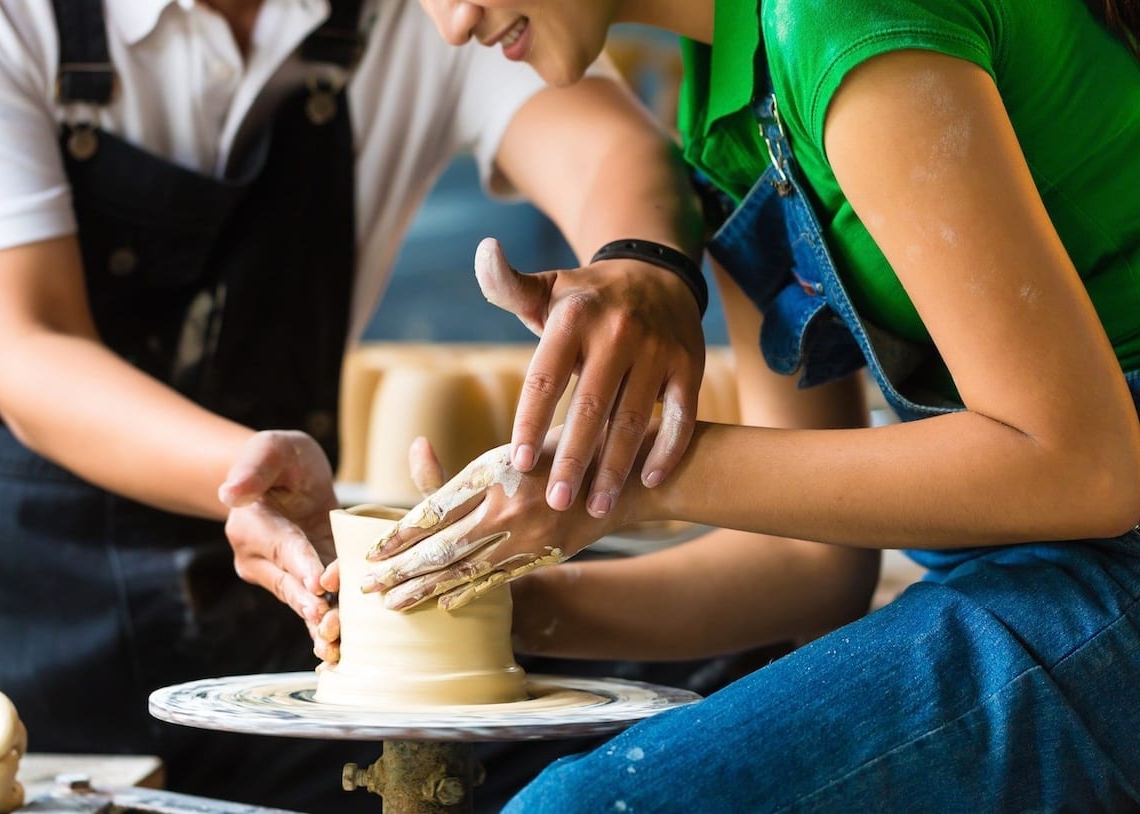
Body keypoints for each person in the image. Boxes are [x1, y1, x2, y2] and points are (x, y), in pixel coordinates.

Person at [362, 0, 1140, 810]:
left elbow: (1081, 469)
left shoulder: (840, 17)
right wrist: (492, 602)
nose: (452, 24)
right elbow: (811, 566)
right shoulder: (721, 104)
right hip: (1028, 565)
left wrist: (636, 476)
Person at [0, 1, 715, 811]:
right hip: (28, 646)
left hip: (295, 621)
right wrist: (246, 472)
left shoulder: (436, 8)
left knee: (694, 722)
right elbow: (26, 340)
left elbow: (615, 151)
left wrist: (641, 268)